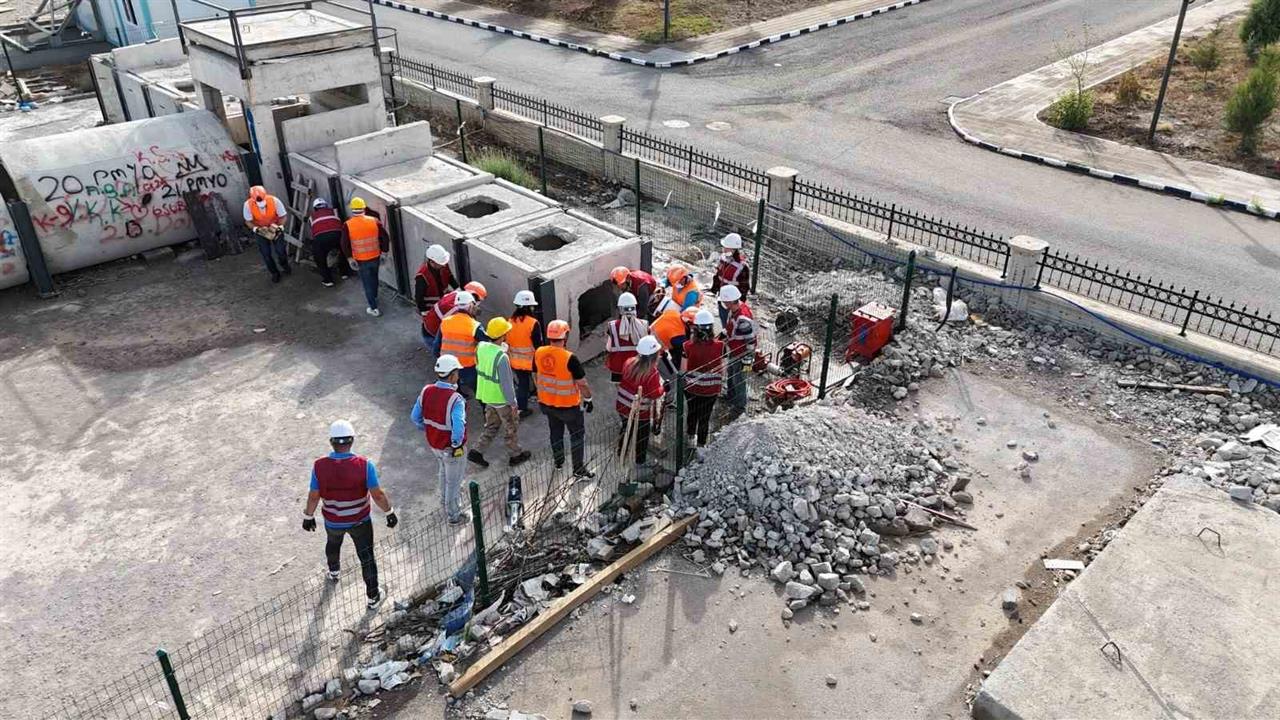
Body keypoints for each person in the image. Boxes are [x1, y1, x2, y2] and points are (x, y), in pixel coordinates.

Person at [302, 419, 395, 609]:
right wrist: (389, 512)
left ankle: (334, 572)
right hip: (360, 521)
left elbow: (314, 496)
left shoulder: (319, 466)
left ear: (332, 442)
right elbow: (377, 494)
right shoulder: (364, 465)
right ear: (352, 440)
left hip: (333, 520)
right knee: (366, 557)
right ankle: (373, 597)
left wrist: (308, 516)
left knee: (333, 544)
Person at [411, 355, 470, 525]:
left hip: (434, 445)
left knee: (443, 472)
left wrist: (430, 429)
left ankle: (444, 502)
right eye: (457, 372)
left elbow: (415, 418)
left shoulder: (426, 391)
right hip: (449, 448)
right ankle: (453, 515)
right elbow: (458, 429)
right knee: (454, 481)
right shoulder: (456, 399)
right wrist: (455, 444)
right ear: (452, 375)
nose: (458, 375)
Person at [534, 320, 594, 478]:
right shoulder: (570, 358)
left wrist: (543, 392)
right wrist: (588, 399)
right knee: (576, 436)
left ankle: (559, 462)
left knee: (555, 433)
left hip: (547, 404)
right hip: (568, 407)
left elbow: (535, 375)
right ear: (565, 336)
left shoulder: (539, 352)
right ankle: (578, 470)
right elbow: (583, 383)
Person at [470, 317, 532, 468]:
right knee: (510, 427)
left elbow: (481, 365)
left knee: (491, 425)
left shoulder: (481, 347)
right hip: (501, 399)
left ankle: (477, 451)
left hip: (487, 396)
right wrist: (513, 403)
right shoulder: (501, 357)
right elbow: (507, 384)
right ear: (503, 335)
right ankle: (515, 455)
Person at [615, 335, 665, 472]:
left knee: (626, 429)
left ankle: (622, 451)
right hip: (640, 412)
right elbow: (655, 394)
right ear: (654, 355)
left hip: (622, 405)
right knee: (641, 436)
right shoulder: (652, 373)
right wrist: (664, 388)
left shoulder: (629, 362)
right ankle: (640, 461)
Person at [681, 310, 724, 447]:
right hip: (711, 390)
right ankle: (701, 444)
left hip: (692, 389)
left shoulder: (687, 346)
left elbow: (682, 370)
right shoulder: (721, 346)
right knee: (705, 417)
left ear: (695, 329)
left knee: (692, 413)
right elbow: (723, 369)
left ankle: (690, 439)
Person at [341, 197, 390, 317]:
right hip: (375, 256)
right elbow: (385, 237)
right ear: (364, 208)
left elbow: (344, 243)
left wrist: (350, 258)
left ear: (352, 209)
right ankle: (374, 297)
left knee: (367, 283)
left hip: (361, 260)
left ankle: (373, 308)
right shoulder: (374, 221)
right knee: (374, 278)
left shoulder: (348, 225)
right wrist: (384, 252)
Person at [440, 290, 491, 395]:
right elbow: (488, 345)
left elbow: (436, 347)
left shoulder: (445, 322)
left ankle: (459, 394)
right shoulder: (474, 325)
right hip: (468, 367)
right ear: (471, 305)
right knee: (480, 393)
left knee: (453, 390)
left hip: (450, 366)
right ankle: (486, 410)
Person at [719, 285, 756, 416]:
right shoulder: (734, 311)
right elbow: (730, 327)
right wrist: (723, 335)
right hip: (734, 350)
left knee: (739, 379)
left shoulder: (743, 318)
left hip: (743, 353)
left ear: (729, 301)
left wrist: (747, 360)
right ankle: (731, 395)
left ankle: (740, 406)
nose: (723, 303)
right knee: (731, 372)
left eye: (724, 301)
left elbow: (751, 340)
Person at [425, 281, 489, 356]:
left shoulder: (456, 296)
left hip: (431, 325)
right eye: (478, 301)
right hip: (432, 331)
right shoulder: (453, 312)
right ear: (472, 299)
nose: (477, 304)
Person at [507, 290, 544, 419]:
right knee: (540, 383)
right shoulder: (533, 323)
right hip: (532, 361)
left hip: (515, 361)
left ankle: (521, 409)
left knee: (522, 384)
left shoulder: (509, 322)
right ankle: (545, 406)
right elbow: (538, 345)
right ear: (529, 307)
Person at [243, 185, 291, 283]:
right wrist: (255, 229)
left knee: (280, 251)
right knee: (266, 254)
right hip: (261, 231)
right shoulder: (248, 205)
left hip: (275, 228)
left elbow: (283, 216)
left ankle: (285, 265)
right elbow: (248, 221)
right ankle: (274, 273)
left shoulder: (274, 201)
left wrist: (280, 226)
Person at [414, 244, 458, 348]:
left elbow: (450, 277)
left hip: (443, 301)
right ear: (431, 262)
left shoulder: (443, 264)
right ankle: (434, 344)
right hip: (430, 307)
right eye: (440, 264)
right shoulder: (422, 276)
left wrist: (458, 289)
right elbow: (418, 297)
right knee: (433, 326)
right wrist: (424, 313)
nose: (443, 265)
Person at [605, 292, 650, 384]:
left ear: (620, 309)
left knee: (622, 392)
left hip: (619, 369)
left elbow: (608, 348)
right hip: (638, 368)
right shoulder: (644, 325)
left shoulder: (613, 326)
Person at [710, 232, 751, 325]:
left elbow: (744, 287)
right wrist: (714, 289)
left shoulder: (742, 266)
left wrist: (739, 303)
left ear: (733, 249)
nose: (723, 249)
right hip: (722, 297)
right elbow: (718, 275)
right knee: (724, 320)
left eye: (726, 247)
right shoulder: (723, 258)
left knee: (732, 323)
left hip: (733, 301)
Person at [307, 198, 350, 287]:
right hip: (337, 234)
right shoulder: (335, 211)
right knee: (343, 250)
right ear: (326, 205)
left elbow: (313, 231)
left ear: (315, 208)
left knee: (320, 258)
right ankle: (344, 273)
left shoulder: (311, 217)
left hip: (320, 238)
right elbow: (341, 222)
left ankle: (328, 280)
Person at [650, 297, 691, 379]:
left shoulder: (673, 313)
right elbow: (678, 358)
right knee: (672, 377)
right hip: (654, 351)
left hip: (648, 336)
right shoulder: (678, 336)